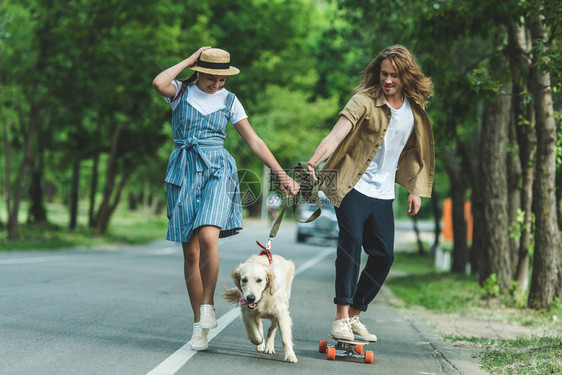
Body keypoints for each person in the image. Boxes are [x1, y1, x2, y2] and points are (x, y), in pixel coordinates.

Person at [152, 47, 300, 351]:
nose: (216, 84)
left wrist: (281, 174)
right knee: (190, 252)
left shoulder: (230, 100)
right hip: (183, 170)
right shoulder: (180, 91)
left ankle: (207, 305)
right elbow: (158, 83)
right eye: (210, 77)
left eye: (221, 79)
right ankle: (199, 324)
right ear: (197, 70)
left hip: (218, 170)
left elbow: (254, 140)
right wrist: (190, 60)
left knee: (208, 236)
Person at [306, 45, 434, 342]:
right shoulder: (363, 101)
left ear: (406, 75)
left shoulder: (415, 110)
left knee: (384, 255)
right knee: (350, 242)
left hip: (383, 192)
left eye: (394, 75)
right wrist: (314, 161)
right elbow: (335, 136)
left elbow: (415, 151)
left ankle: (354, 316)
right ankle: (340, 317)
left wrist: (415, 189)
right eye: (384, 73)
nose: (388, 80)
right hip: (352, 185)